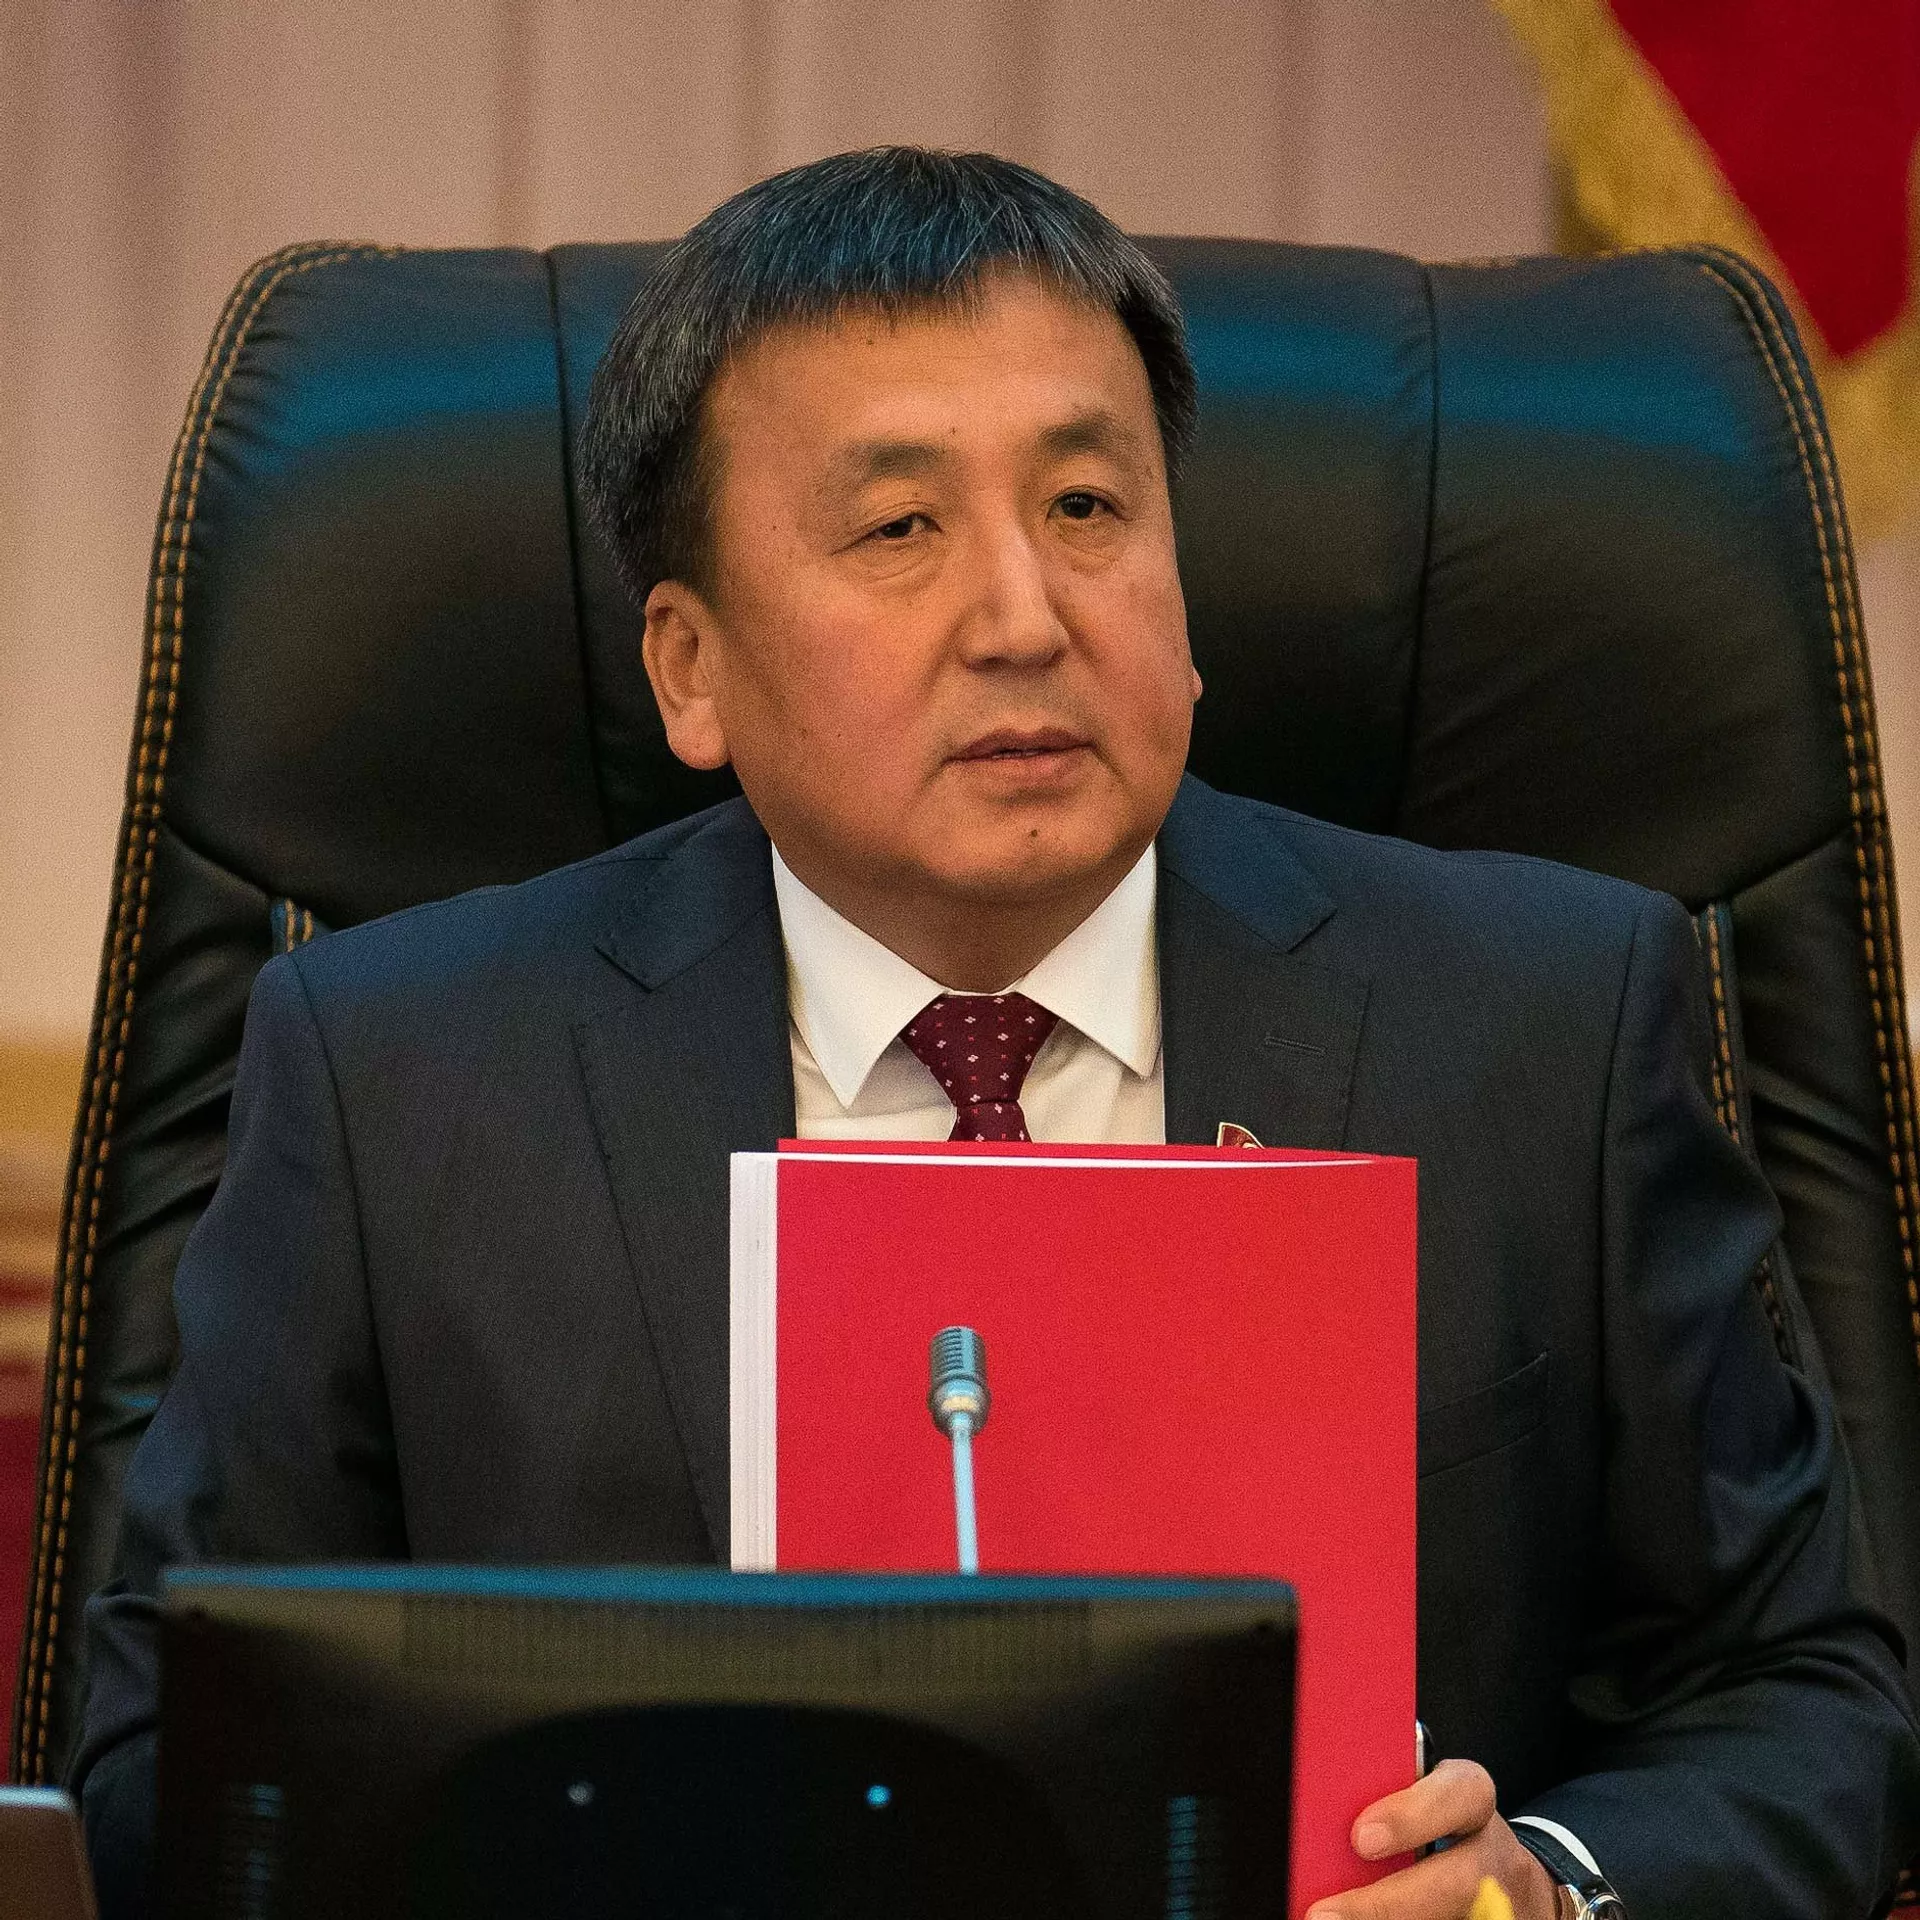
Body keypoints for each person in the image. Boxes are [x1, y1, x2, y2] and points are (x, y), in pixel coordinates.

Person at [74, 147, 1920, 1919]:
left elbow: (1804, 1691)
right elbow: (174, 1759)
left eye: (1089, 509)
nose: (1025, 618)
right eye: (900, 528)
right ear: (691, 668)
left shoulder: (1545, 1025)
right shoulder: (398, 1080)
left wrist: (1555, 1888)